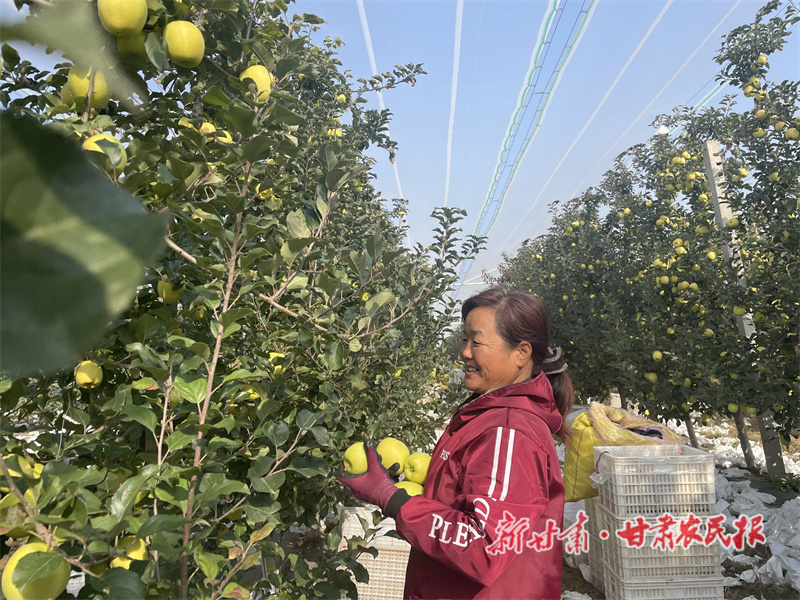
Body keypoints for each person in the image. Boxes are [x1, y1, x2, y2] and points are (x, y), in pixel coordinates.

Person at [338, 287, 574, 599]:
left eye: (477, 342)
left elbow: (484, 546)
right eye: (464, 340)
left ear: (521, 353)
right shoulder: (489, 416)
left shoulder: (508, 432)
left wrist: (393, 499)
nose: (465, 352)